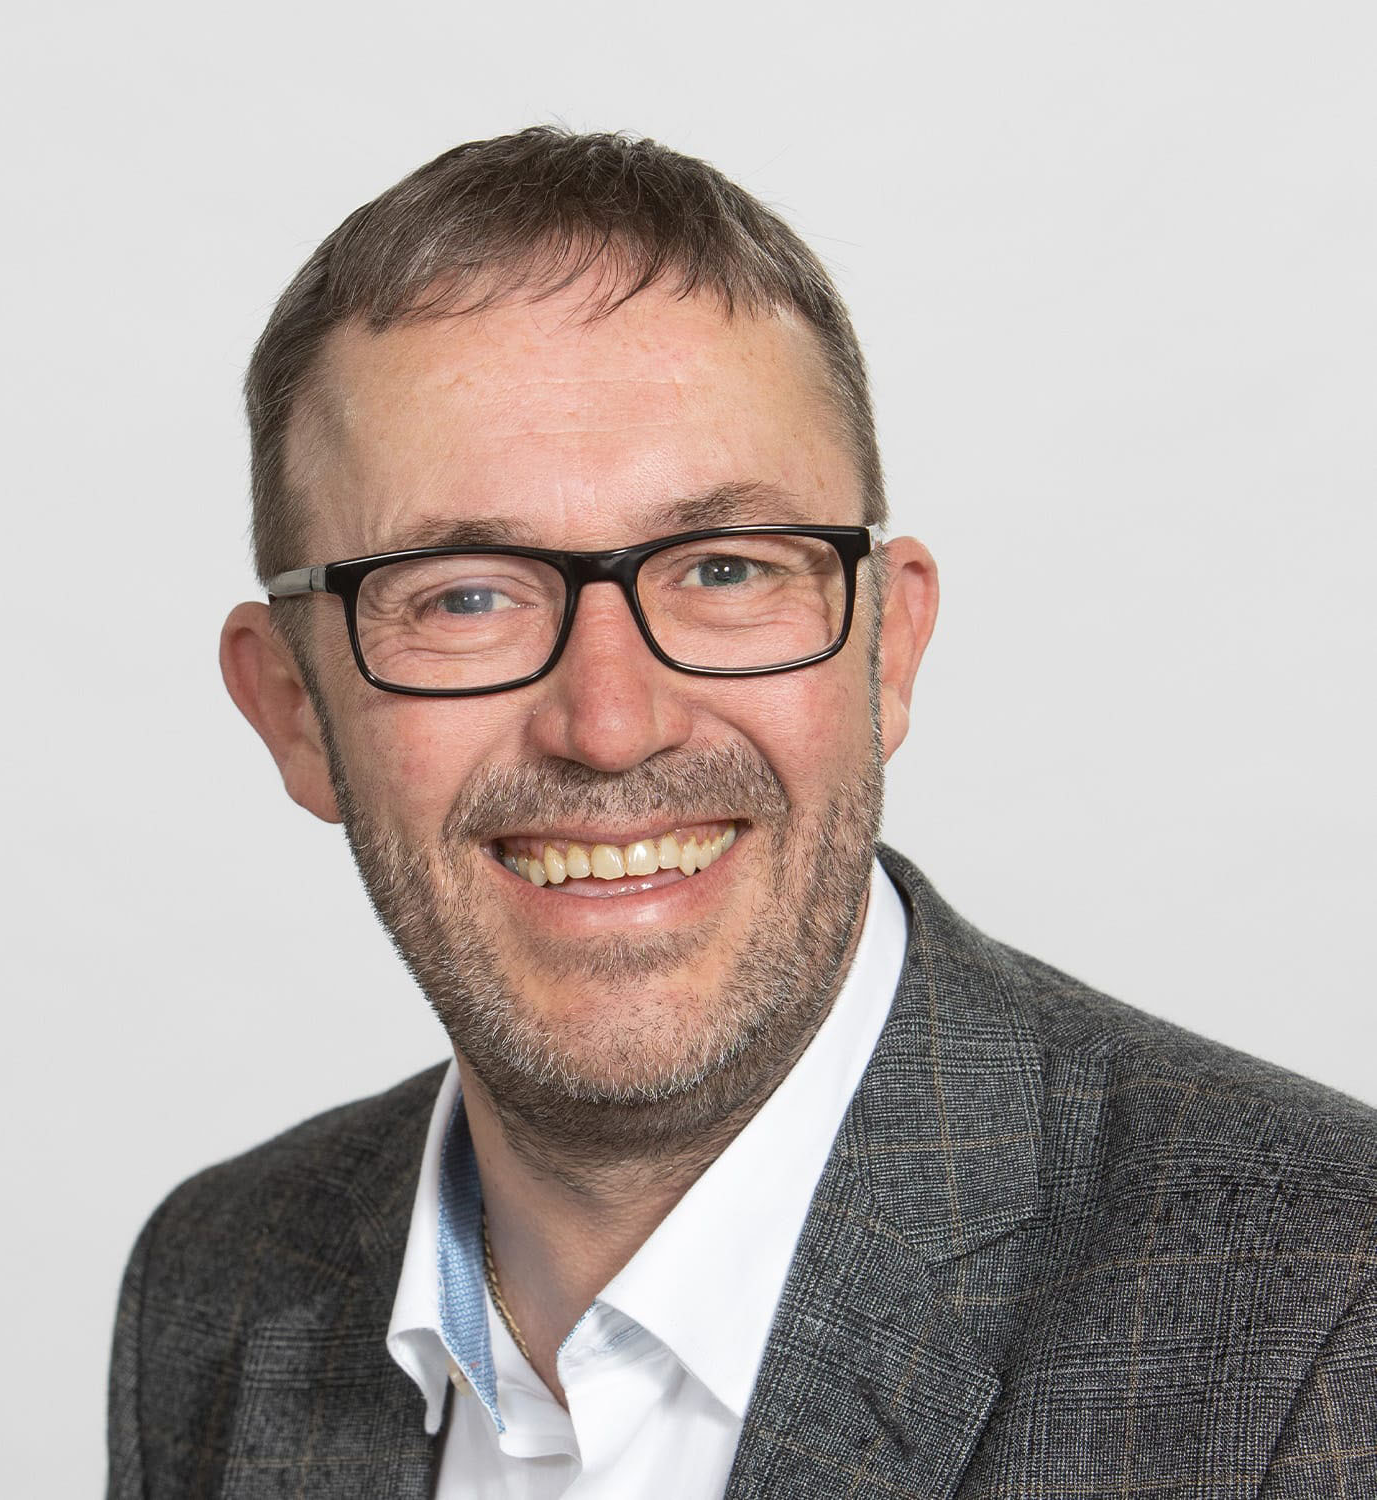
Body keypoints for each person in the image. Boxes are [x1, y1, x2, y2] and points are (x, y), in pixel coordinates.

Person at [107, 128, 1377, 1499]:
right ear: (293, 709)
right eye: (465, 595)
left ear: (888, 650)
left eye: (723, 569)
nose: (611, 722)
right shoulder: (218, 1283)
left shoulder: (1323, 1310)